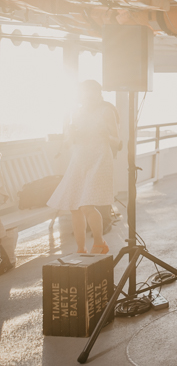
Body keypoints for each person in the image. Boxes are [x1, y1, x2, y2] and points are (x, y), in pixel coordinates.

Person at [48, 80, 120, 254]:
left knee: (87, 205)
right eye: (84, 93)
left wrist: (107, 137)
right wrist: (71, 136)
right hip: (79, 160)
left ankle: (99, 242)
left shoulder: (107, 111)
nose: (87, 96)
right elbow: (67, 144)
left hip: (99, 159)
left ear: (98, 93)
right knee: (74, 206)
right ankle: (81, 249)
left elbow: (117, 141)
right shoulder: (75, 113)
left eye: (91, 92)